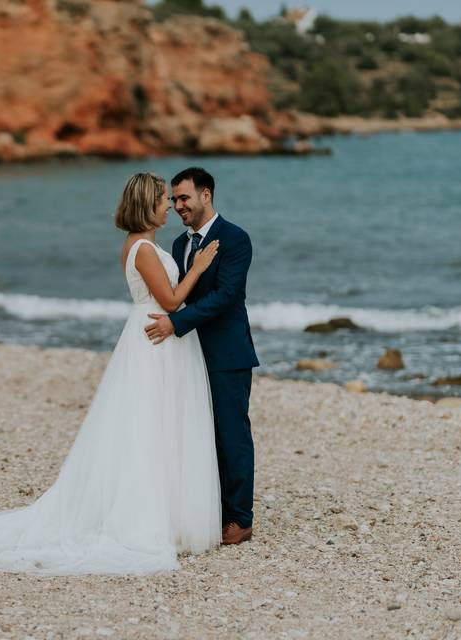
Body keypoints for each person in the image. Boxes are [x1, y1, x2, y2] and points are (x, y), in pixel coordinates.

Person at [0, 173, 221, 575]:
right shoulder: (142, 248)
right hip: (153, 338)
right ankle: (144, 518)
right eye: (164, 199)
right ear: (148, 203)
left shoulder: (145, 245)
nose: (170, 206)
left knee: (158, 426)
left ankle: (169, 513)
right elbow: (172, 300)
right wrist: (198, 267)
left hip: (157, 337)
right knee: (146, 428)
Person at [145, 167, 259, 546]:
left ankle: (240, 518)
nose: (178, 206)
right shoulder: (179, 246)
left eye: (184, 198)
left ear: (206, 195)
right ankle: (208, 510)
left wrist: (176, 324)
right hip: (187, 355)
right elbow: (178, 292)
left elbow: (225, 296)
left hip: (227, 352)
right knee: (197, 435)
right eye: (174, 200)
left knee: (231, 435)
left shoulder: (235, 239)